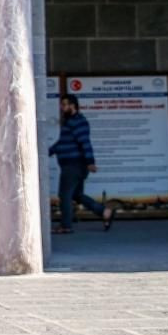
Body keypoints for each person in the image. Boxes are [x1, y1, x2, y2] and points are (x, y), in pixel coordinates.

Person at [49, 94, 115, 234]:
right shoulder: (70, 122)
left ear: (73, 105)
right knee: (77, 195)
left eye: (65, 104)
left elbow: (85, 142)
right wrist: (47, 152)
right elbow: (63, 143)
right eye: (62, 104)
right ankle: (104, 212)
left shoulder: (78, 122)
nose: (62, 107)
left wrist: (90, 162)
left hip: (73, 165)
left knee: (64, 195)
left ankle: (66, 226)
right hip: (73, 165)